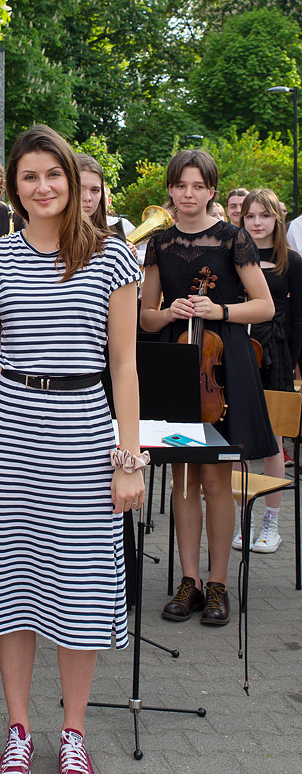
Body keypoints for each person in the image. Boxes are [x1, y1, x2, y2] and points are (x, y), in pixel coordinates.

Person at [0, 126, 141, 774]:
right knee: (11, 584)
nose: (43, 187)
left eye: (54, 175)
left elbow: (124, 366)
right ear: (15, 186)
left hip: (84, 435)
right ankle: (17, 730)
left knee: (81, 587)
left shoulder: (113, 257)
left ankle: (72, 734)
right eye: (29, 177)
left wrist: (129, 458)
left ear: (73, 180)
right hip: (10, 432)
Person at [140, 150, 276, 627]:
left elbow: (263, 307)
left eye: (199, 186)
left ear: (212, 191)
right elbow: (145, 315)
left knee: (217, 480)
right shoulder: (158, 244)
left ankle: (218, 582)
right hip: (178, 368)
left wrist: (217, 310)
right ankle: (189, 581)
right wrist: (171, 313)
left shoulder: (233, 239)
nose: (189, 194)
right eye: (181, 186)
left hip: (223, 369)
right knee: (183, 479)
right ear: (171, 190)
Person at [239, 188, 302, 552]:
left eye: (264, 216)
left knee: (274, 442)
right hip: (242, 350)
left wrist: (290, 359)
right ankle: (242, 521)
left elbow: (299, 318)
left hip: (276, 351)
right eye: (250, 216)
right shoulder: (236, 255)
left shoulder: (291, 261)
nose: (257, 223)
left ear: (275, 219)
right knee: (240, 441)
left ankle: (270, 524)